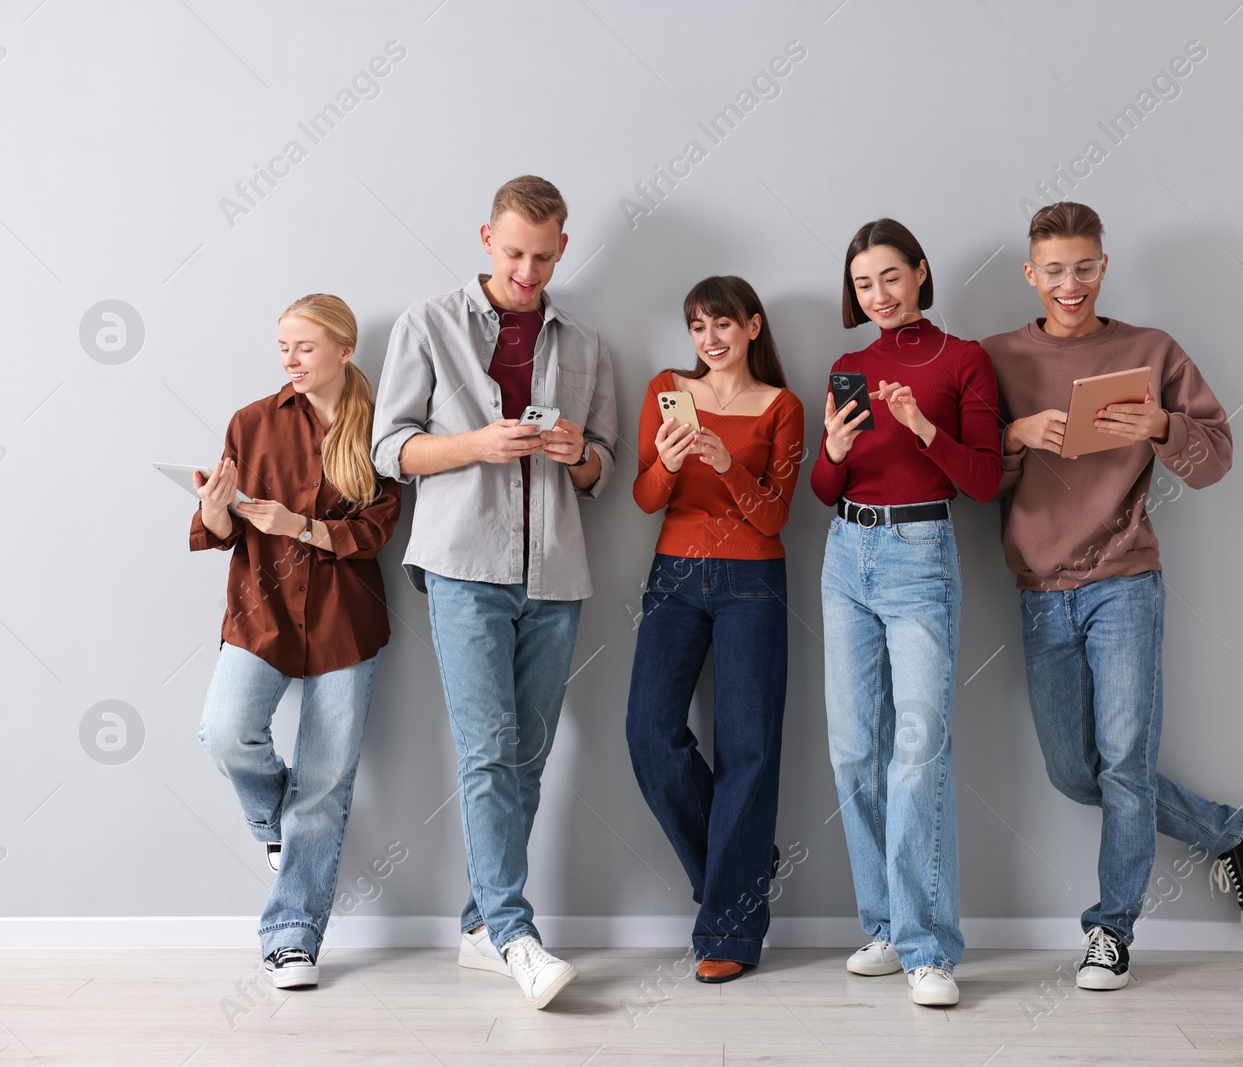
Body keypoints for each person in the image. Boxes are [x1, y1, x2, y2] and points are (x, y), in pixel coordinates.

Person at [983, 201, 1243, 992]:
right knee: (1078, 771)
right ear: (1030, 274)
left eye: (1084, 267)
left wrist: (1160, 426)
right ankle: (1232, 830)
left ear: (1103, 267)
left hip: (1125, 583)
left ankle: (1111, 930)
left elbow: (1214, 459)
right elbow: (965, 475)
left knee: (1127, 764)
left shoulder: (1151, 350)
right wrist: (1013, 437)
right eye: (1054, 269)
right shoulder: (997, 357)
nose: (1068, 283)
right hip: (1040, 589)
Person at [370, 175, 618, 1010]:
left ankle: (481, 921)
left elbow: (603, 471)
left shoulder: (583, 343)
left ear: (563, 248)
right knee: (486, 749)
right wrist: (477, 443)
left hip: (555, 571)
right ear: (486, 238)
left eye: (543, 257)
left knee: (528, 756)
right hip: (461, 569)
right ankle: (515, 932)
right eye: (514, 253)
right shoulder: (427, 324)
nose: (527, 270)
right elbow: (389, 450)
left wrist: (580, 450)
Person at [810, 219, 1003, 1007]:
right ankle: (886, 926)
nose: (879, 295)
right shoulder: (850, 366)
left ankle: (930, 946)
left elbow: (985, 481)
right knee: (855, 749)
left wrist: (925, 429)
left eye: (891, 276)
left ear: (921, 274)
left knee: (918, 751)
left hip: (921, 553)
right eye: (864, 283)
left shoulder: (965, 361)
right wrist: (829, 448)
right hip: (844, 553)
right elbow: (825, 490)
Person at [192, 293, 401, 990]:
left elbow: (376, 531)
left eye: (304, 347)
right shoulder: (251, 422)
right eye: (283, 346)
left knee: (326, 782)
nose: (290, 359)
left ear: (344, 350)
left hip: (347, 619)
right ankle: (274, 822)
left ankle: (292, 936)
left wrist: (299, 525)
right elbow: (224, 531)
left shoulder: (381, 425)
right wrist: (215, 510)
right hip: (263, 609)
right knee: (225, 731)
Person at [626, 276, 805, 984]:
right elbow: (644, 497)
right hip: (674, 577)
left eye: (723, 324)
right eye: (698, 326)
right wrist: (670, 462)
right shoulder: (667, 388)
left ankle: (729, 927)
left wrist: (727, 465)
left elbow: (773, 516)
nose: (710, 339)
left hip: (753, 583)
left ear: (753, 327)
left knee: (748, 750)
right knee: (649, 733)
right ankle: (744, 866)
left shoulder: (782, 407)